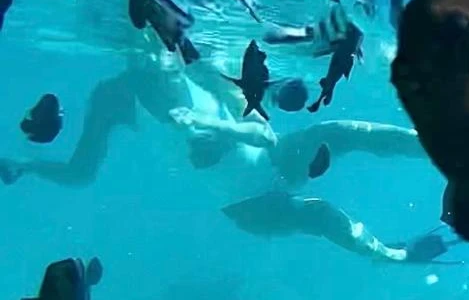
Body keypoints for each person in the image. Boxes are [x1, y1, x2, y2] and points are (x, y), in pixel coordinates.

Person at [1, 31, 440, 265]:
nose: (154, 54)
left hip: (273, 154)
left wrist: (213, 124)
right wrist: (30, 164)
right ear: (124, 48)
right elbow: (82, 172)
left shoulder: (196, 61)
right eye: (140, 47)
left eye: (158, 41)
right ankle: (393, 258)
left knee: (341, 130)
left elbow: (263, 131)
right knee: (319, 214)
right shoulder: (114, 96)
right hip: (245, 202)